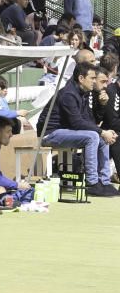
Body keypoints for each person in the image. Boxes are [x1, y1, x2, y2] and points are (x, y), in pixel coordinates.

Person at [36, 61, 118, 197]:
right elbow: (76, 123)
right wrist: (102, 132)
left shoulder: (82, 93)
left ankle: (103, 181)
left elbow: (89, 121)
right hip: (49, 134)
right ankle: (92, 183)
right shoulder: (69, 94)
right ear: (81, 78)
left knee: (101, 137)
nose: (94, 81)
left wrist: (104, 131)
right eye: (92, 78)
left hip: (65, 132)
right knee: (93, 136)